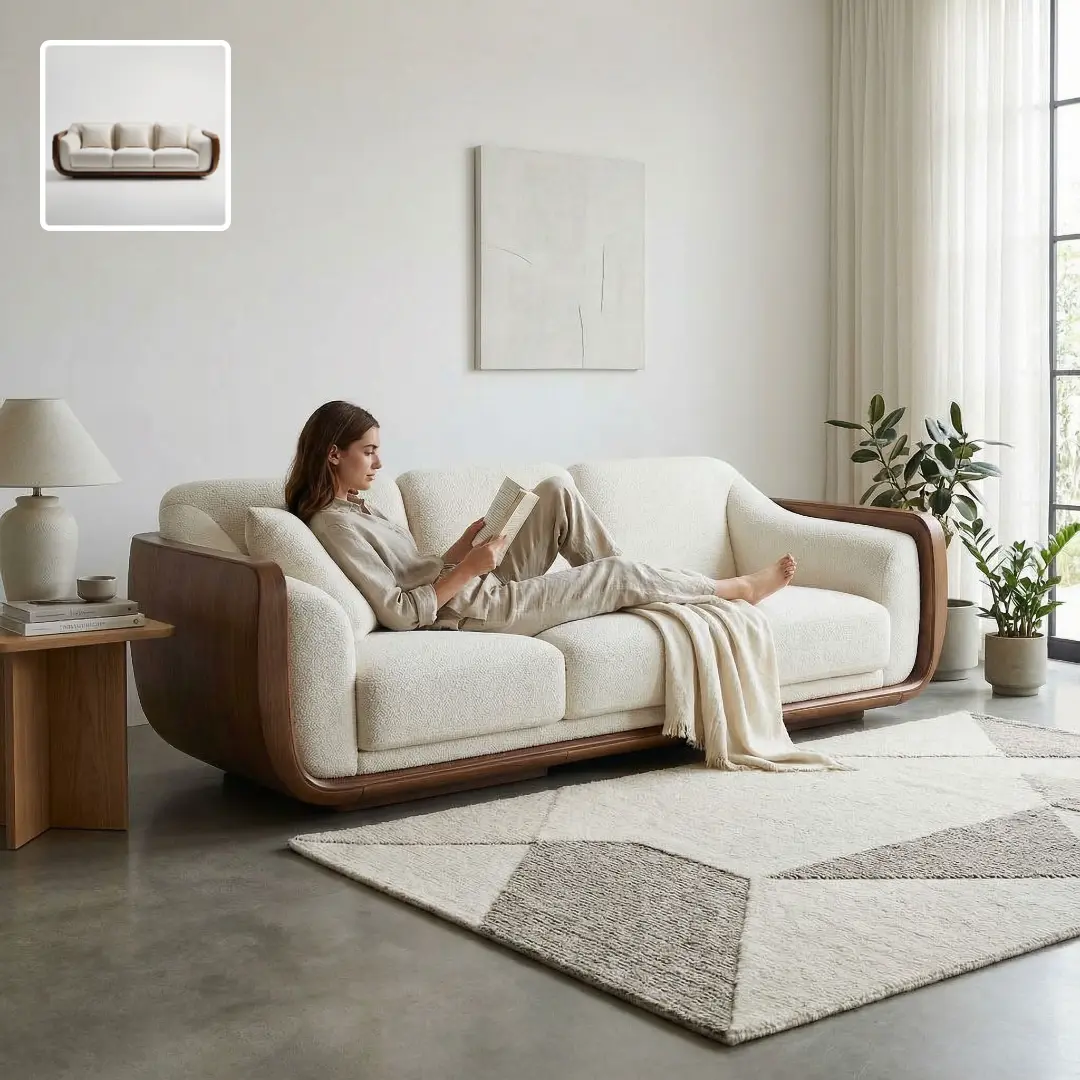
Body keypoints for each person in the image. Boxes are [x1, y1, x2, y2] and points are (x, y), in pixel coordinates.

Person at [285, 400, 797, 637]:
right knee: (617, 573)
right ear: (334, 454)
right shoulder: (335, 525)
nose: (378, 463)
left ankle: (637, 590)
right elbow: (398, 610)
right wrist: (467, 570)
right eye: (368, 452)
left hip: (471, 583)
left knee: (553, 491)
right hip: (477, 609)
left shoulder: (359, 506)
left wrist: (461, 550)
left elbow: (415, 574)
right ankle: (732, 589)